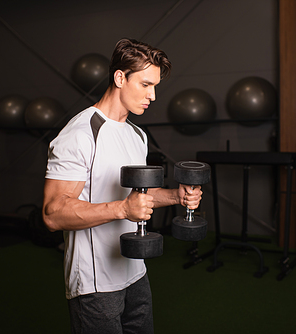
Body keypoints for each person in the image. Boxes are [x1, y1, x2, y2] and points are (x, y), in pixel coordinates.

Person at [42, 38, 203, 334]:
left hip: (135, 270)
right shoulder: (80, 134)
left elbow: (138, 196)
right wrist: (122, 209)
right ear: (119, 78)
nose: (153, 96)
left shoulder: (137, 135)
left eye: (155, 86)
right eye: (145, 85)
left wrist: (175, 196)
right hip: (95, 283)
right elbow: (53, 214)